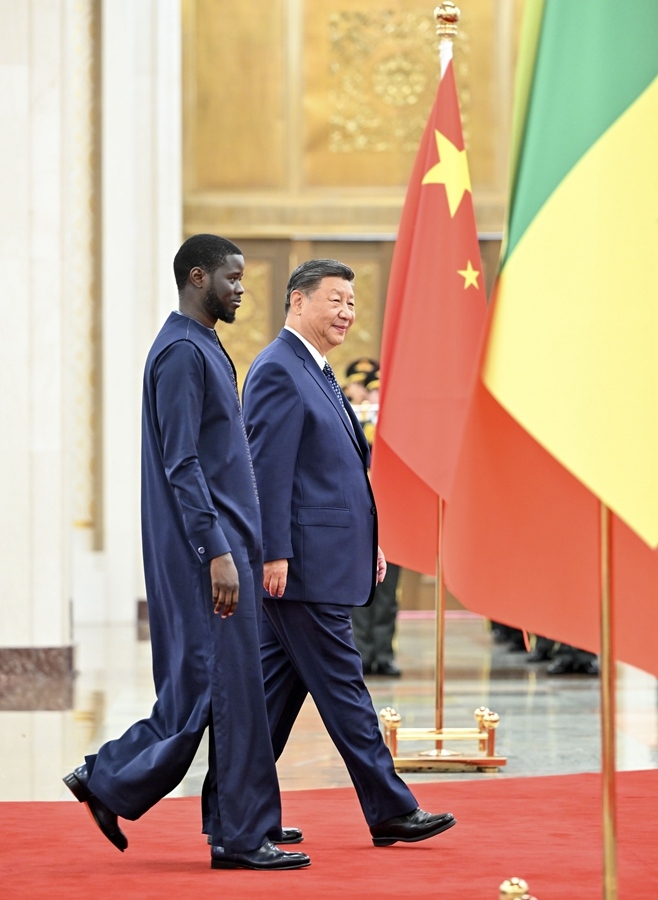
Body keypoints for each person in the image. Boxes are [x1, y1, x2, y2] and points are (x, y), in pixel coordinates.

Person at [63, 234, 310, 872]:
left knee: (233, 691)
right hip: (208, 557)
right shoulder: (179, 352)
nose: (242, 289)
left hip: (230, 549)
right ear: (197, 277)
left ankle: (242, 822)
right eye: (232, 278)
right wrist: (216, 551)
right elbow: (182, 463)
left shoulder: (204, 345)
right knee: (210, 693)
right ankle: (136, 791)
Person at [242, 259, 456, 847]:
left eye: (352, 303)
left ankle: (233, 814)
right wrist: (273, 552)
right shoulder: (279, 368)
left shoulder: (317, 369)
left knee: (268, 704)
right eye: (335, 300)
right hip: (301, 568)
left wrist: (369, 542)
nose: (346, 313)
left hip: (321, 559)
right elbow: (267, 470)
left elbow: (335, 475)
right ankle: (390, 809)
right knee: (344, 688)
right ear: (298, 301)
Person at [348, 367, 402, 677]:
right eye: (374, 392)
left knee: (387, 595)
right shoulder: (357, 422)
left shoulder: (398, 429)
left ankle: (384, 653)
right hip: (361, 519)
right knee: (361, 593)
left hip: (392, 521)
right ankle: (362, 653)